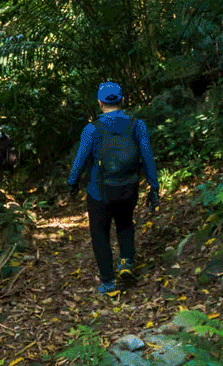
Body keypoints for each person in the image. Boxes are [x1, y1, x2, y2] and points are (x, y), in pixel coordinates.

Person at [67, 82, 160, 298]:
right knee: (125, 222)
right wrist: (153, 187)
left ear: (99, 103)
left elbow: (80, 160)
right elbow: (147, 157)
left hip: (99, 191)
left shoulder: (92, 129)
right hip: (128, 187)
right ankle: (126, 262)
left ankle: (108, 282)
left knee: (100, 234)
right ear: (123, 100)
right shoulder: (138, 125)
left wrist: (72, 183)